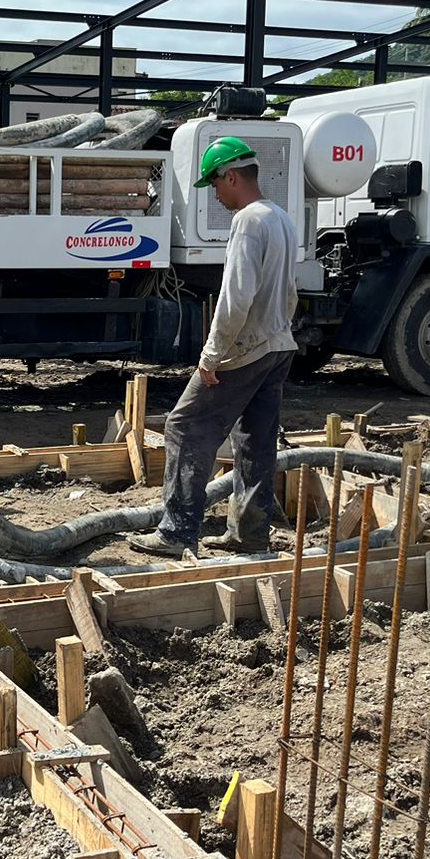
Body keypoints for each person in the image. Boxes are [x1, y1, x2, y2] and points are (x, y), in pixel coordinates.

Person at [131, 137, 298, 558]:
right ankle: (250, 534)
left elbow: (235, 297)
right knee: (255, 439)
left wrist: (212, 355)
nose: (217, 195)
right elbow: (291, 292)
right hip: (278, 343)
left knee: (184, 427)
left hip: (246, 346)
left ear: (232, 176)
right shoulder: (281, 218)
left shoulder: (248, 221)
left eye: (216, 185)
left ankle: (176, 532)